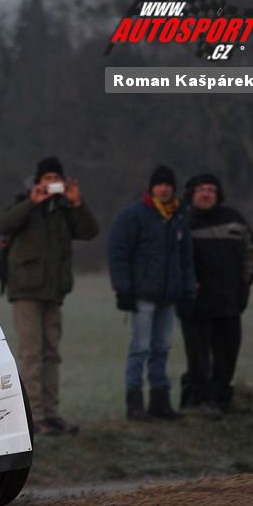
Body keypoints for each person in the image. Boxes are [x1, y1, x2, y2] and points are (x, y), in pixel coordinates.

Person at [0, 156, 99, 436]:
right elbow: (4, 224)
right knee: (32, 355)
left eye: (56, 177)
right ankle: (34, 417)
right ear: (38, 180)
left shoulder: (66, 207)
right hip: (26, 291)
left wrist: (78, 202)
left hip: (54, 292)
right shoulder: (23, 202)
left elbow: (90, 231)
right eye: (47, 177)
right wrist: (33, 201)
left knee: (51, 354)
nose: (51, 181)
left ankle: (52, 414)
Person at [107, 165, 195, 421]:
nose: (164, 188)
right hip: (143, 295)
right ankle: (134, 404)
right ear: (151, 187)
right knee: (140, 349)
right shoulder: (133, 215)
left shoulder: (179, 217)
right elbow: (118, 253)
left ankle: (160, 401)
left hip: (169, 297)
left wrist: (188, 292)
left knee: (162, 348)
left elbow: (186, 258)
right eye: (160, 184)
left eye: (168, 184)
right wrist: (123, 289)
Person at [178, 173, 253, 417]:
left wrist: (244, 283)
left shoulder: (234, 219)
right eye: (201, 189)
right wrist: (187, 285)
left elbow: (251, 252)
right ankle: (200, 400)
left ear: (219, 194)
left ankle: (223, 397)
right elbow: (173, 258)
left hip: (230, 301)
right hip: (196, 303)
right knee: (199, 356)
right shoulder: (182, 220)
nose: (206, 194)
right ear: (191, 193)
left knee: (228, 352)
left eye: (211, 190)